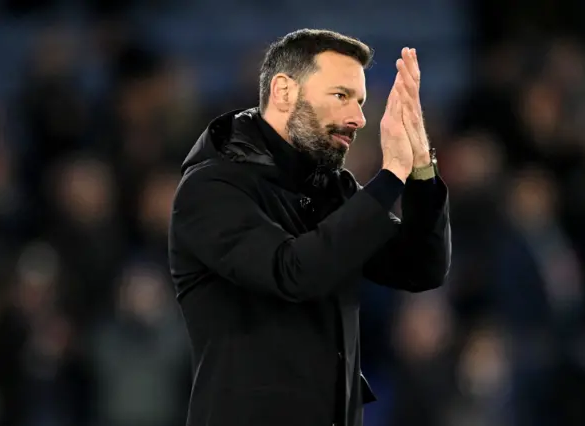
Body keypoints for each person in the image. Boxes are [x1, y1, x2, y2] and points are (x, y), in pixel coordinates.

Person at [168, 29, 451, 426]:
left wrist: (420, 167)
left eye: (361, 101)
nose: (359, 118)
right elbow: (292, 272)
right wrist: (389, 177)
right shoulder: (210, 190)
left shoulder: (331, 191)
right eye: (341, 96)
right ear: (283, 91)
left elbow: (421, 267)